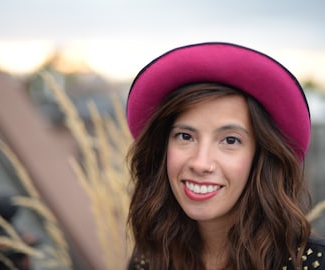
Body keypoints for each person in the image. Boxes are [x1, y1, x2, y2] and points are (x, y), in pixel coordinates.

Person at [125, 42, 325, 270]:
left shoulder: (310, 264)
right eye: (185, 136)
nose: (201, 163)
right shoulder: (150, 256)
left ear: (261, 157)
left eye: (230, 140)